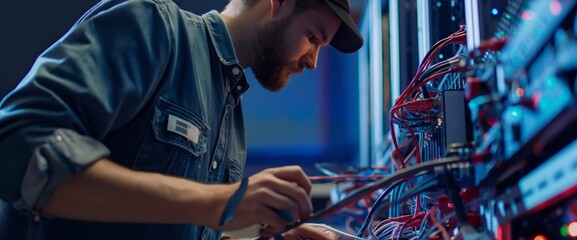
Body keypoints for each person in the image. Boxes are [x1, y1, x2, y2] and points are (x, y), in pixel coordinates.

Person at [0, 0, 363, 239]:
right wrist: (220, 202)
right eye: (313, 37)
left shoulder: (231, 114)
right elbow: (17, 142)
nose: (313, 62)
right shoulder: (155, 28)